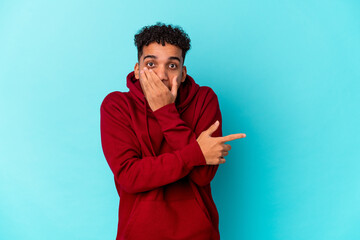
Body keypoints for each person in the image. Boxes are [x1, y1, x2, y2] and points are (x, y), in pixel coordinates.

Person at [100, 22, 246, 240]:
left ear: (183, 72)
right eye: (151, 64)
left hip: (198, 233)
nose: (161, 76)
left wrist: (165, 111)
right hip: (138, 234)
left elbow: (203, 174)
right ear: (137, 70)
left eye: (171, 66)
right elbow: (129, 176)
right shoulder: (117, 106)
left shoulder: (204, 100)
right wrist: (196, 153)